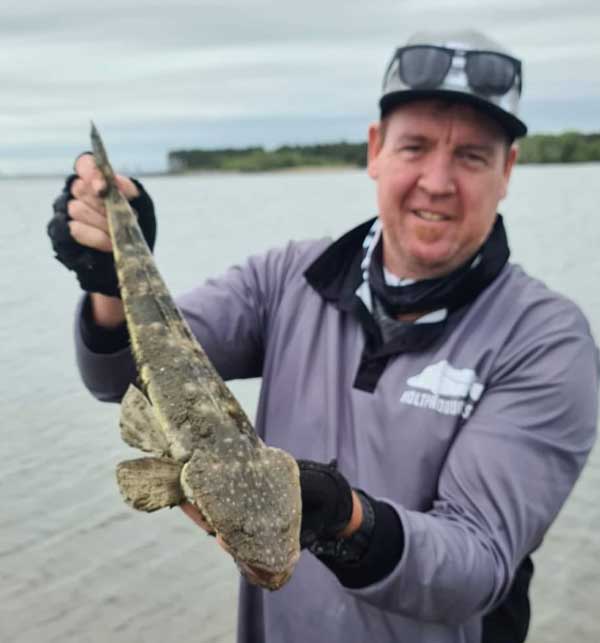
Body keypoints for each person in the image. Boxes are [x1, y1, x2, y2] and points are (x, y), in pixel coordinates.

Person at [47, 29, 599, 643]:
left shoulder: (546, 340)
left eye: (472, 155)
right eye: (414, 146)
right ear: (375, 150)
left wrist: (343, 518)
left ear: (508, 171)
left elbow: (476, 569)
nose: (438, 182)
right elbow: (124, 381)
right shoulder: (288, 279)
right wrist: (109, 278)